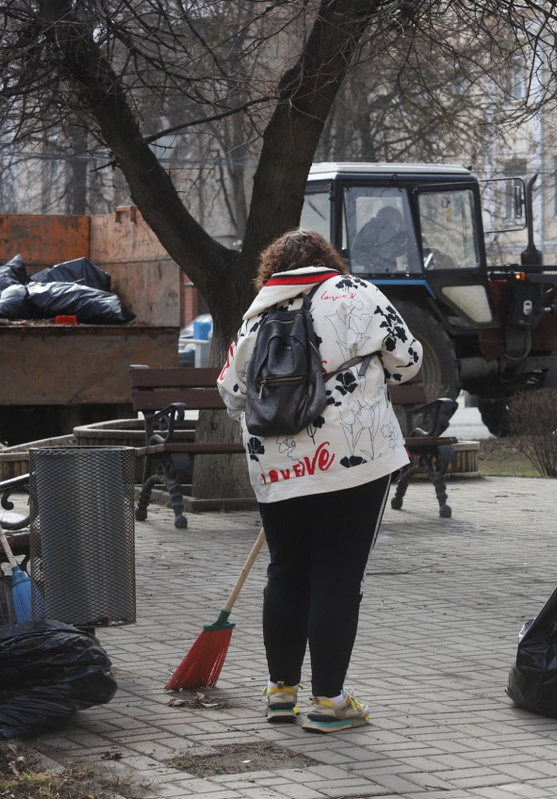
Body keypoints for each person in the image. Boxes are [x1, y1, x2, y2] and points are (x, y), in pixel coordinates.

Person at [217, 229, 423, 733]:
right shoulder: (358, 293)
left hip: (278, 466)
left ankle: (280, 692)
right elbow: (409, 361)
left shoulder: (256, 314)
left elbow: (231, 390)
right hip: (353, 458)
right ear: (329, 260)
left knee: (286, 571)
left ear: (272, 269)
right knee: (336, 576)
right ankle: (329, 703)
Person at [352, 205, 407, 272]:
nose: (396, 225)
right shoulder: (386, 229)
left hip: (368, 269)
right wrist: (403, 229)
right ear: (390, 217)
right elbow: (397, 251)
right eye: (396, 221)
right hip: (381, 271)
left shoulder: (368, 227)